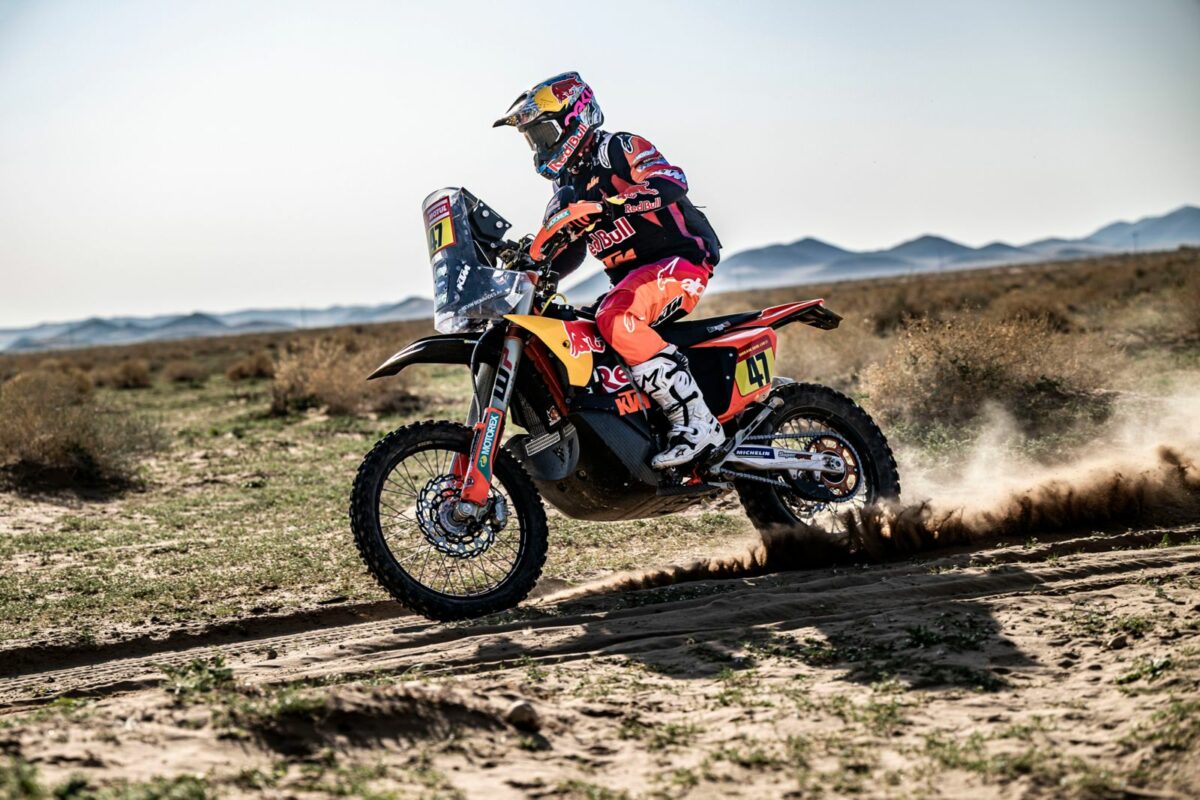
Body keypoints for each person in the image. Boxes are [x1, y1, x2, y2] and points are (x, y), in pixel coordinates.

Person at [494, 72, 726, 469]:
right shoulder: (567, 182)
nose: (539, 145)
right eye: (532, 138)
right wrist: (535, 268)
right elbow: (571, 249)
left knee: (616, 317)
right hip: (632, 281)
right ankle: (637, 433)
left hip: (681, 262)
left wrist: (612, 205)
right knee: (575, 330)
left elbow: (672, 181)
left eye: (543, 133)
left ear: (575, 117)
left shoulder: (619, 147)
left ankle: (697, 423)